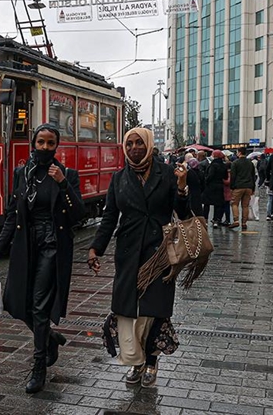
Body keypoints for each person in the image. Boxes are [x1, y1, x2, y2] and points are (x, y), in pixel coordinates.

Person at [0, 124, 85, 394]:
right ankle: (49, 338)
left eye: (51, 144)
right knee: (15, 303)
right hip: (27, 246)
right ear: (33, 143)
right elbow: (13, 216)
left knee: (39, 306)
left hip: (52, 245)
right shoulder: (22, 174)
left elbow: (79, 215)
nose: (45, 148)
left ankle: (39, 366)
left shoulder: (66, 175)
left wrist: (62, 184)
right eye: (41, 142)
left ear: (56, 146)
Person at [88, 127, 189, 388]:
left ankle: (151, 361)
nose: (135, 148)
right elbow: (110, 217)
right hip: (128, 252)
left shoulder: (166, 174)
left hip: (159, 254)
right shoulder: (119, 178)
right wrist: (96, 248)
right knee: (128, 310)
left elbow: (185, 214)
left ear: (149, 145)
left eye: (139, 143)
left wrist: (181, 188)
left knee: (153, 311)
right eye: (130, 143)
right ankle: (136, 359)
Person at [229, 148, 256, 230]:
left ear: (239, 152)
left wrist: (232, 187)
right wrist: (253, 188)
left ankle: (236, 220)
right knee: (245, 206)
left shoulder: (235, 163)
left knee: (234, 203)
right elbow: (253, 176)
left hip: (238, 186)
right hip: (249, 186)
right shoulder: (250, 163)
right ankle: (244, 223)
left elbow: (233, 176)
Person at [204, 150, 228, 227]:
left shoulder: (213, 165)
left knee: (206, 203)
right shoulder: (224, 165)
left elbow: (210, 175)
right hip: (219, 186)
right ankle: (216, 220)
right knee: (217, 204)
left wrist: (206, 181)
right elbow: (225, 177)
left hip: (211, 186)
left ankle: (205, 220)